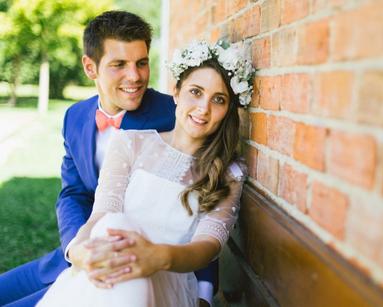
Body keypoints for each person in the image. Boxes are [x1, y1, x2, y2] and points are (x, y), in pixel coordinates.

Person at [0, 11, 218, 307]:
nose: (135, 76)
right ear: (90, 67)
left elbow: (204, 203)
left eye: (141, 63)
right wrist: (77, 250)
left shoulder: (180, 116)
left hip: (131, 274)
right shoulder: (75, 117)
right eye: (119, 65)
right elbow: (73, 193)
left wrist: (203, 293)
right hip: (75, 254)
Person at [37, 39, 255, 306]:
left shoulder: (228, 172)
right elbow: (100, 215)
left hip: (168, 277)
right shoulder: (130, 142)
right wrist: (81, 252)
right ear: (176, 92)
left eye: (218, 100)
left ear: (227, 110)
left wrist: (155, 257)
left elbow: (208, 247)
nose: (203, 108)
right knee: (115, 227)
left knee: (125, 262)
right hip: (109, 262)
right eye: (195, 92)